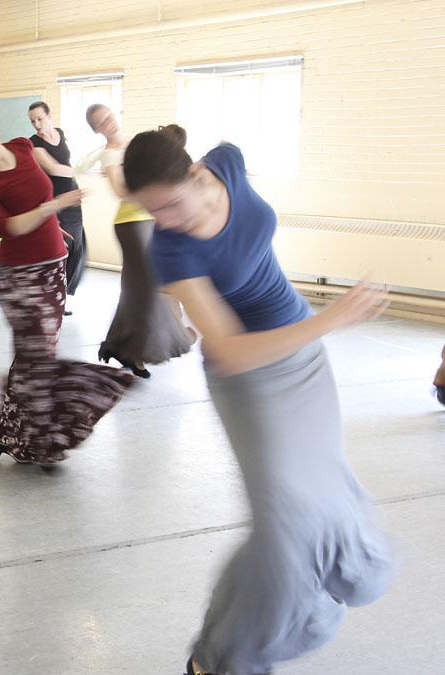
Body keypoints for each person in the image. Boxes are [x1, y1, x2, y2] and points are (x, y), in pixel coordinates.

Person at [122, 126, 394, 675]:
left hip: (305, 361)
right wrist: (331, 319)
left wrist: (318, 326)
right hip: (252, 384)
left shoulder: (228, 160)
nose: (166, 222)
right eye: (154, 213)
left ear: (199, 173)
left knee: (327, 494)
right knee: (283, 532)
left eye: (171, 205)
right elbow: (228, 351)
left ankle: (332, 577)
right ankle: (222, 657)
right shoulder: (173, 249)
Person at [0, 112, 134, 467]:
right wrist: (53, 207)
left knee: (32, 360)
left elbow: (46, 181)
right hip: (21, 277)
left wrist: (54, 225)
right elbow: (9, 227)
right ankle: (45, 442)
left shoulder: (23, 148)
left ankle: (7, 434)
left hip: (54, 267)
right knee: (38, 360)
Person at [77, 103, 194, 377]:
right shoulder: (110, 155)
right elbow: (120, 191)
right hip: (132, 224)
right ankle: (132, 348)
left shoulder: (135, 142)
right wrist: (153, 185)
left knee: (141, 288)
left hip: (152, 218)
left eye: (109, 116)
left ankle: (123, 346)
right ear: (96, 130)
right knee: (145, 289)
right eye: (101, 123)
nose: (109, 123)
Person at [28, 101, 86, 303]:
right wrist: (82, 170)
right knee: (60, 247)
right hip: (55, 201)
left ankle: (64, 295)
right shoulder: (34, 142)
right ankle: (52, 294)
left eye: (40, 119)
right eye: (33, 120)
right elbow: (53, 168)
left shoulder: (60, 133)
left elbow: (67, 162)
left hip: (72, 197)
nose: (36, 124)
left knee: (77, 246)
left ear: (49, 116)